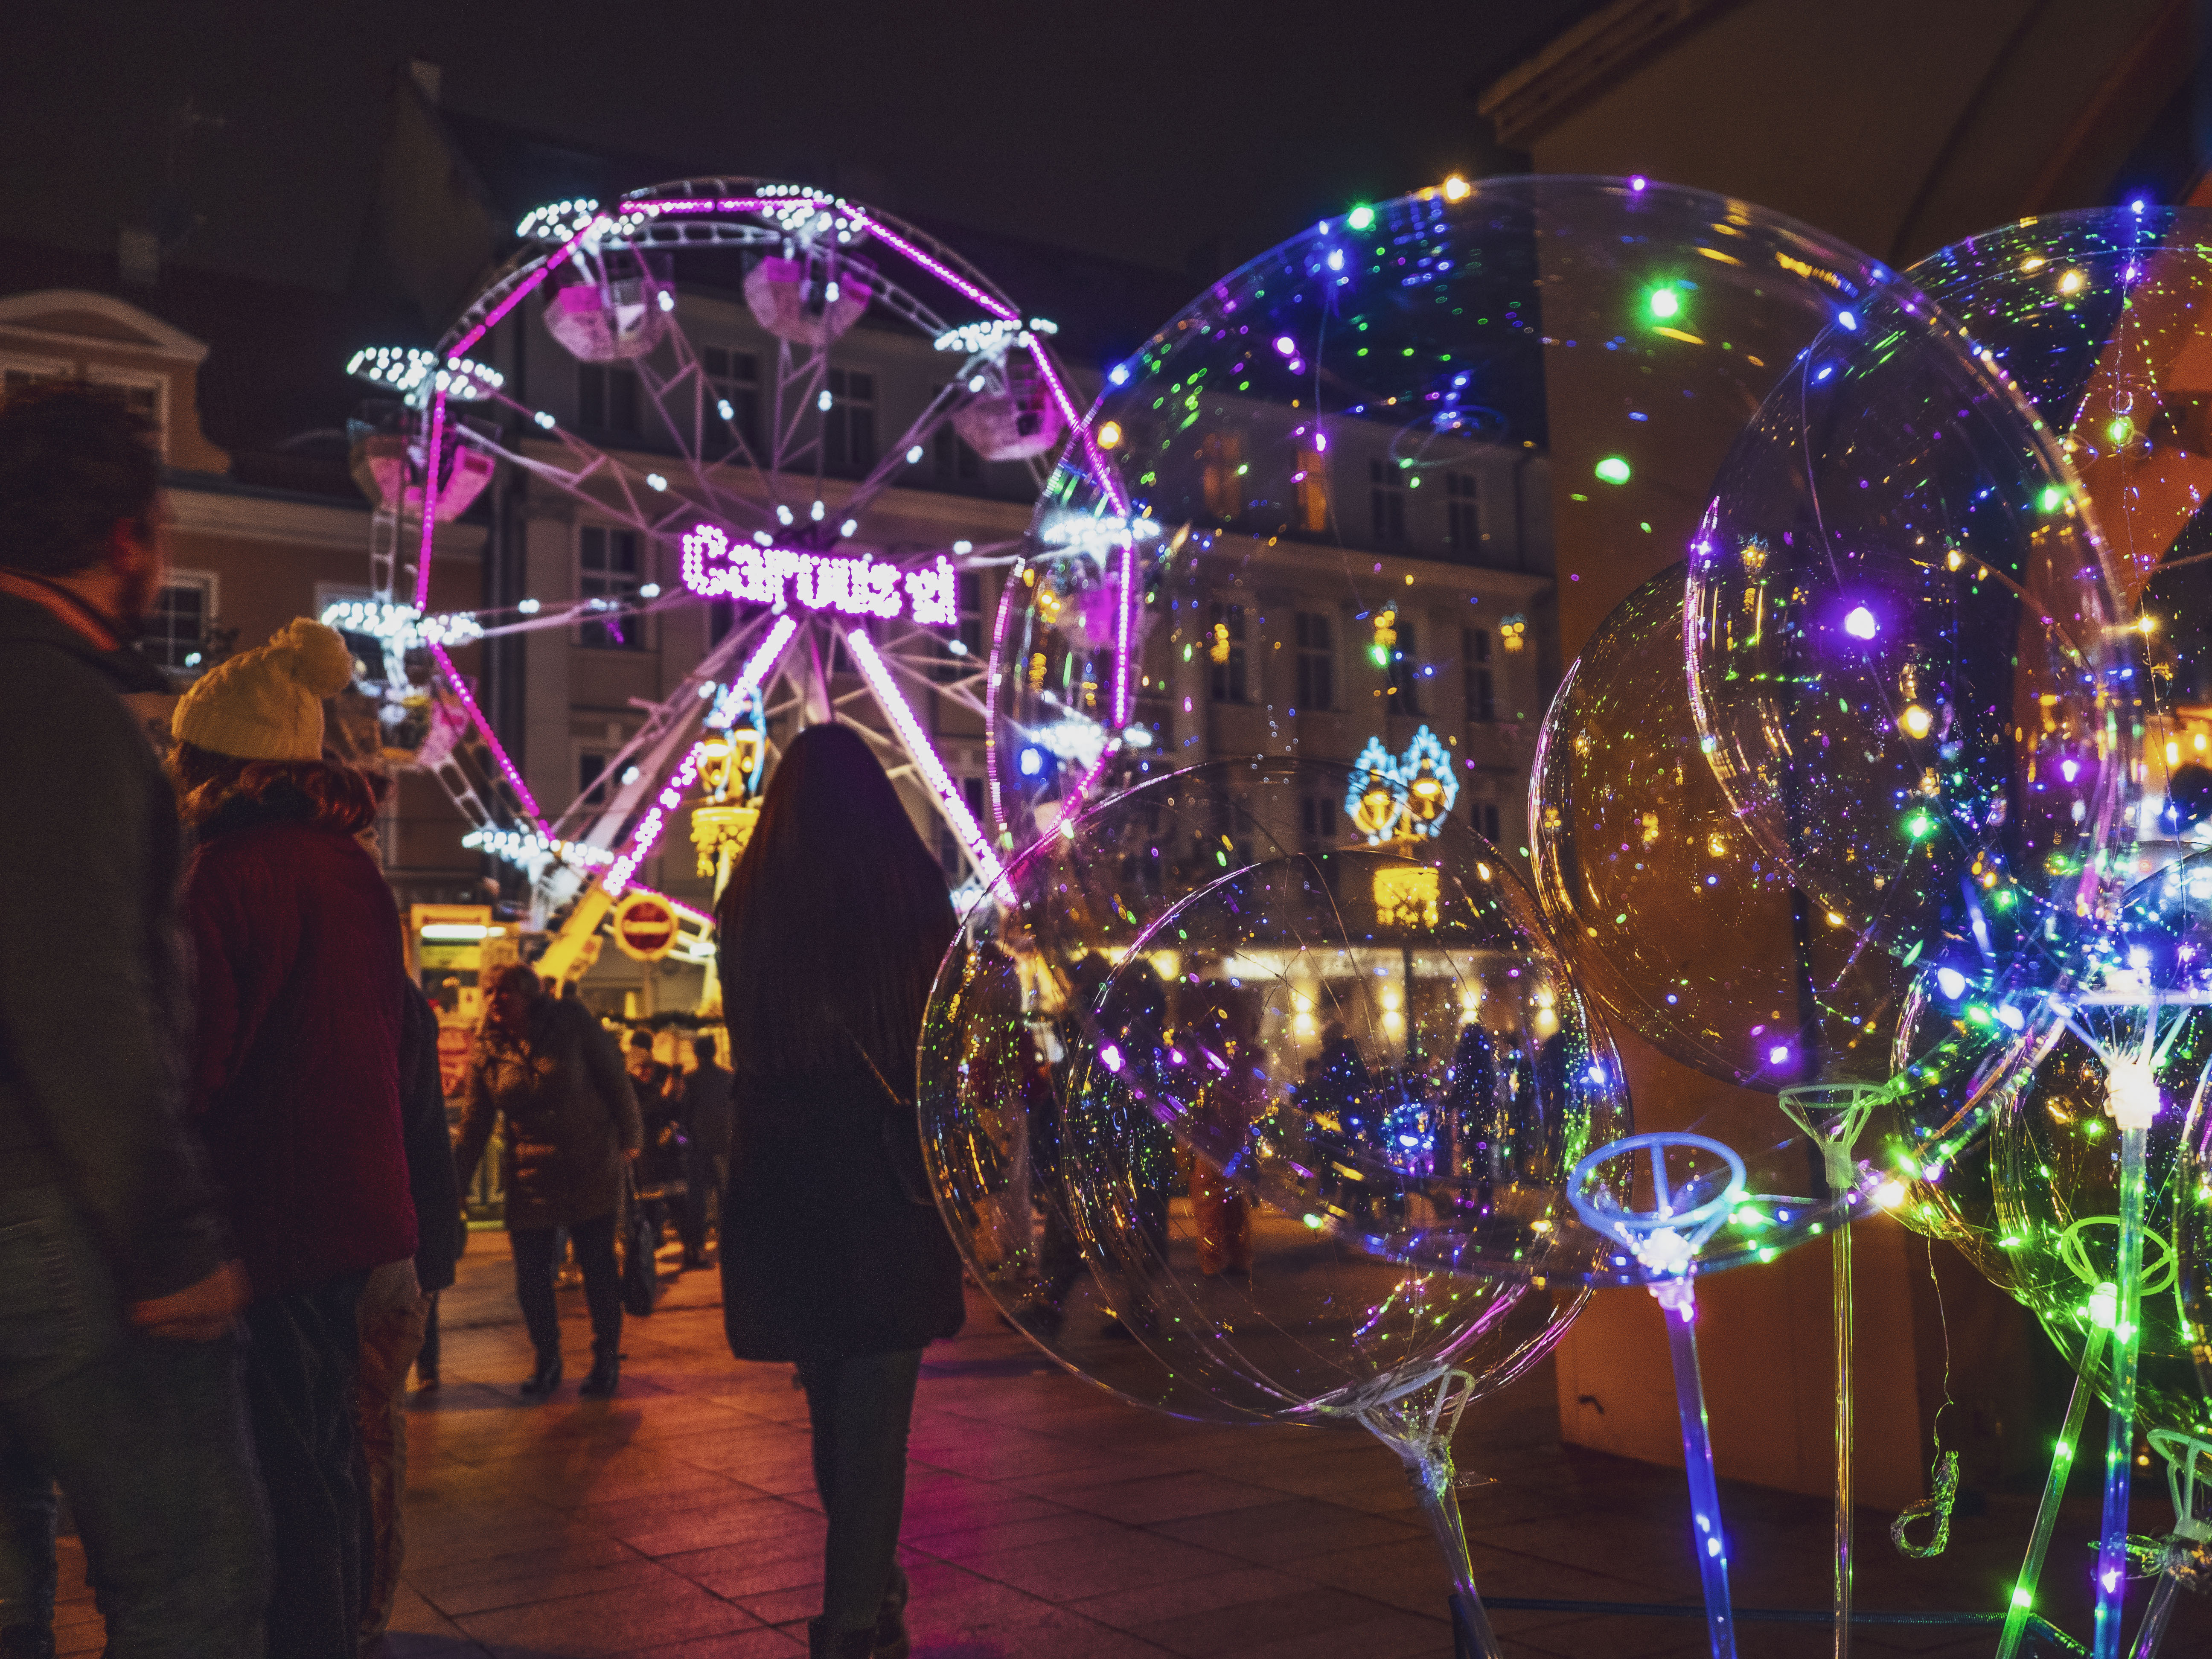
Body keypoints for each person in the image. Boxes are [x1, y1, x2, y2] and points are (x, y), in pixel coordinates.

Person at [0, 382, 268, 1656]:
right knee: (197, 1573)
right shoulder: (57, 711)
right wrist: (170, 1241)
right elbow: (78, 993)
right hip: (54, 1221)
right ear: (131, 536)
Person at [169, 617, 421, 1658]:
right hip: (357, 1211)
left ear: (219, 760)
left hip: (272, 1211)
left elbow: (198, 1058)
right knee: (327, 1454)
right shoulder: (351, 871)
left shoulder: (223, 875)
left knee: (282, 1472)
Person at [716, 724, 964, 1659]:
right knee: (877, 1411)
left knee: (832, 1396)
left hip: (783, 1177)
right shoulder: (910, 896)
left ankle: (875, 1584)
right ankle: (850, 1624)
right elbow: (947, 1048)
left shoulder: (749, 904)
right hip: (884, 1174)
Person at [456, 964, 641, 1399]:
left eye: (505, 992)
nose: (496, 1000)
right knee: (531, 1277)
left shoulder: (571, 1024)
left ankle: (606, 1359)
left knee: (597, 1267)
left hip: (589, 1164)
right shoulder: (488, 1047)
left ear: (530, 996)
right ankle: (547, 1359)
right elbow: (475, 1121)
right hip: (530, 1176)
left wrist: (631, 1138)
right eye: (491, 993)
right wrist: (457, 1181)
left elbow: (615, 1080)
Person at [357, 977, 465, 1650]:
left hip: (375, 1245)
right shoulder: (397, 999)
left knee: (359, 1426)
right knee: (371, 1427)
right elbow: (428, 1126)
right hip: (398, 1243)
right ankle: (366, 1606)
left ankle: (360, 1605)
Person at [677, 1035, 733, 1269]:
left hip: (698, 1146)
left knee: (697, 1198)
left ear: (697, 1054)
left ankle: (697, 1246)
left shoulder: (691, 1080)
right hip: (724, 1145)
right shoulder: (728, 1078)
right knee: (726, 1196)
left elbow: (683, 1115)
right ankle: (730, 1242)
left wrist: (682, 1141)